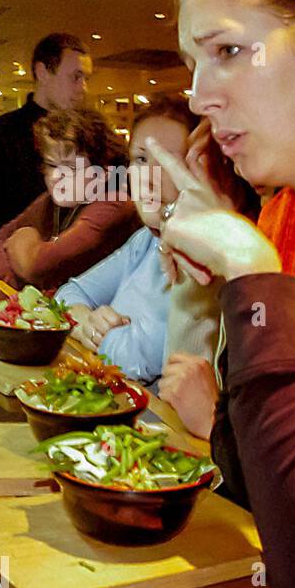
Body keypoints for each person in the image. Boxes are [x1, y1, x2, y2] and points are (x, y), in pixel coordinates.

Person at [149, 0, 295, 588]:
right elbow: (252, 476)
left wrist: (251, 272)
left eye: (229, 51)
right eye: (193, 62)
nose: (199, 95)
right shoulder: (284, 217)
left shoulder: (268, 242)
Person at [54, 98, 198, 385]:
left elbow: (135, 360)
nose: (148, 176)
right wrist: (87, 322)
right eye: (141, 160)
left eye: (169, 160)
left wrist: (93, 332)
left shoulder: (201, 256)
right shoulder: (145, 241)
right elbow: (67, 294)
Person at [0, 109, 139, 290]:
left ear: (104, 172)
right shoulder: (51, 202)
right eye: (51, 164)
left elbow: (38, 267)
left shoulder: (114, 204)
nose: (55, 176)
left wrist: (23, 237)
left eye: (70, 168)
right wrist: (23, 286)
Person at [0, 33, 93, 246]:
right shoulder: (2, 135)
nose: (83, 88)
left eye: (87, 78)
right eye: (75, 77)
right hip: (11, 267)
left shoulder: (88, 136)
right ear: (42, 72)